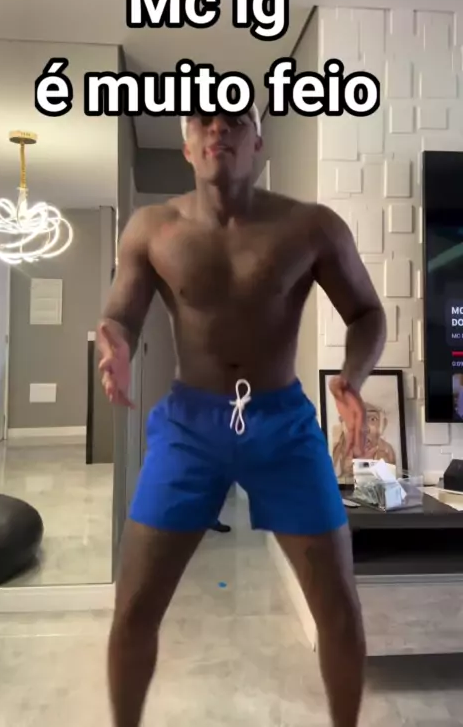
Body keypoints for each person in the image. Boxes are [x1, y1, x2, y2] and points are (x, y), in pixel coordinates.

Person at [97, 105, 386, 727]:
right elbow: (120, 313)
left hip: (283, 424)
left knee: (338, 607)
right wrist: (115, 342)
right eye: (202, 120)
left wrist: (352, 377)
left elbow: (367, 313)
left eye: (234, 118)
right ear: (186, 147)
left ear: (258, 141)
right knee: (134, 608)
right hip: (189, 427)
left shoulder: (311, 227)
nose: (217, 129)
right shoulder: (153, 228)